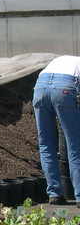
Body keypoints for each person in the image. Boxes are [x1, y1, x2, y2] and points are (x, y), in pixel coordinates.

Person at [33, 55, 80, 206]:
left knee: (45, 142)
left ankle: (54, 193)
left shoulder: (67, 60)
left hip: (40, 87)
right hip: (64, 87)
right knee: (74, 143)